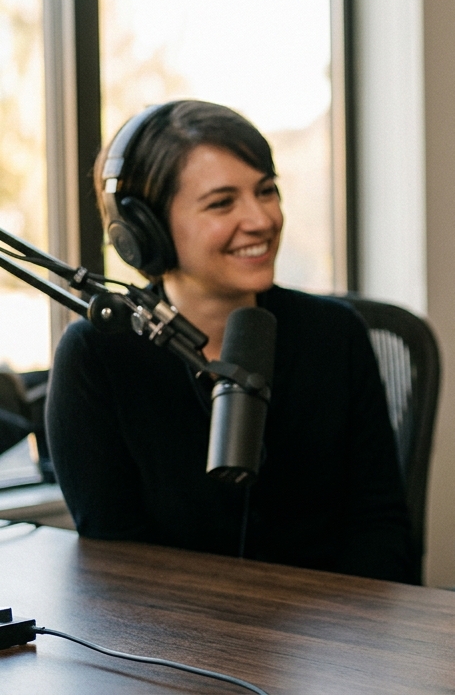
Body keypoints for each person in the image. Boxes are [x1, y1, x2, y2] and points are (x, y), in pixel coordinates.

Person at [46, 100, 416, 584]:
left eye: (267, 191)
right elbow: (115, 566)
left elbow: (382, 531)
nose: (261, 219)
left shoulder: (334, 334)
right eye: (222, 202)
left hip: (333, 642)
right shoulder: (97, 355)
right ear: (144, 230)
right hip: (173, 648)